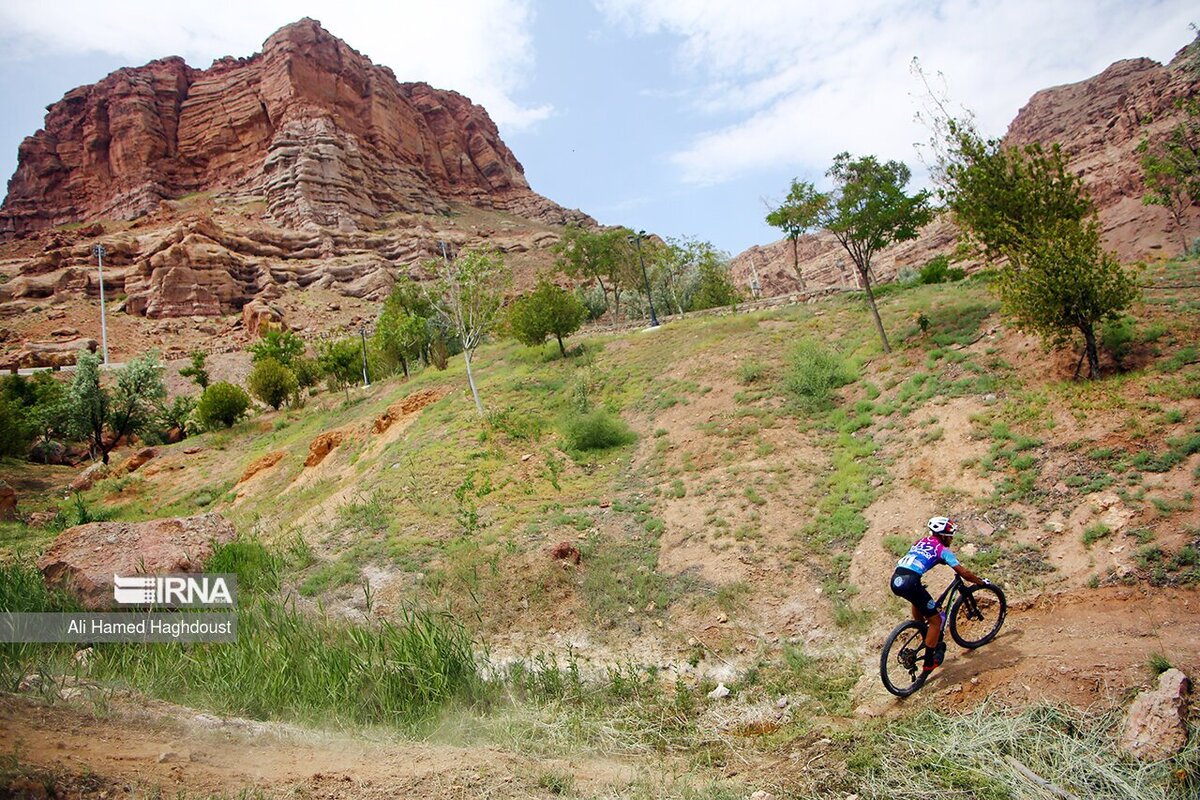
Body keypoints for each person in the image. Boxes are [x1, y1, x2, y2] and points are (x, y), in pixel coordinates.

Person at [889, 516, 985, 675]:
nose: (952, 539)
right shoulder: (943, 550)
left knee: (918, 599)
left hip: (896, 580)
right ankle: (929, 663)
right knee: (936, 620)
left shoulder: (920, 541)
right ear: (943, 536)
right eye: (950, 536)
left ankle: (923, 633)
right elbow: (964, 573)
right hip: (911, 582)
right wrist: (980, 582)